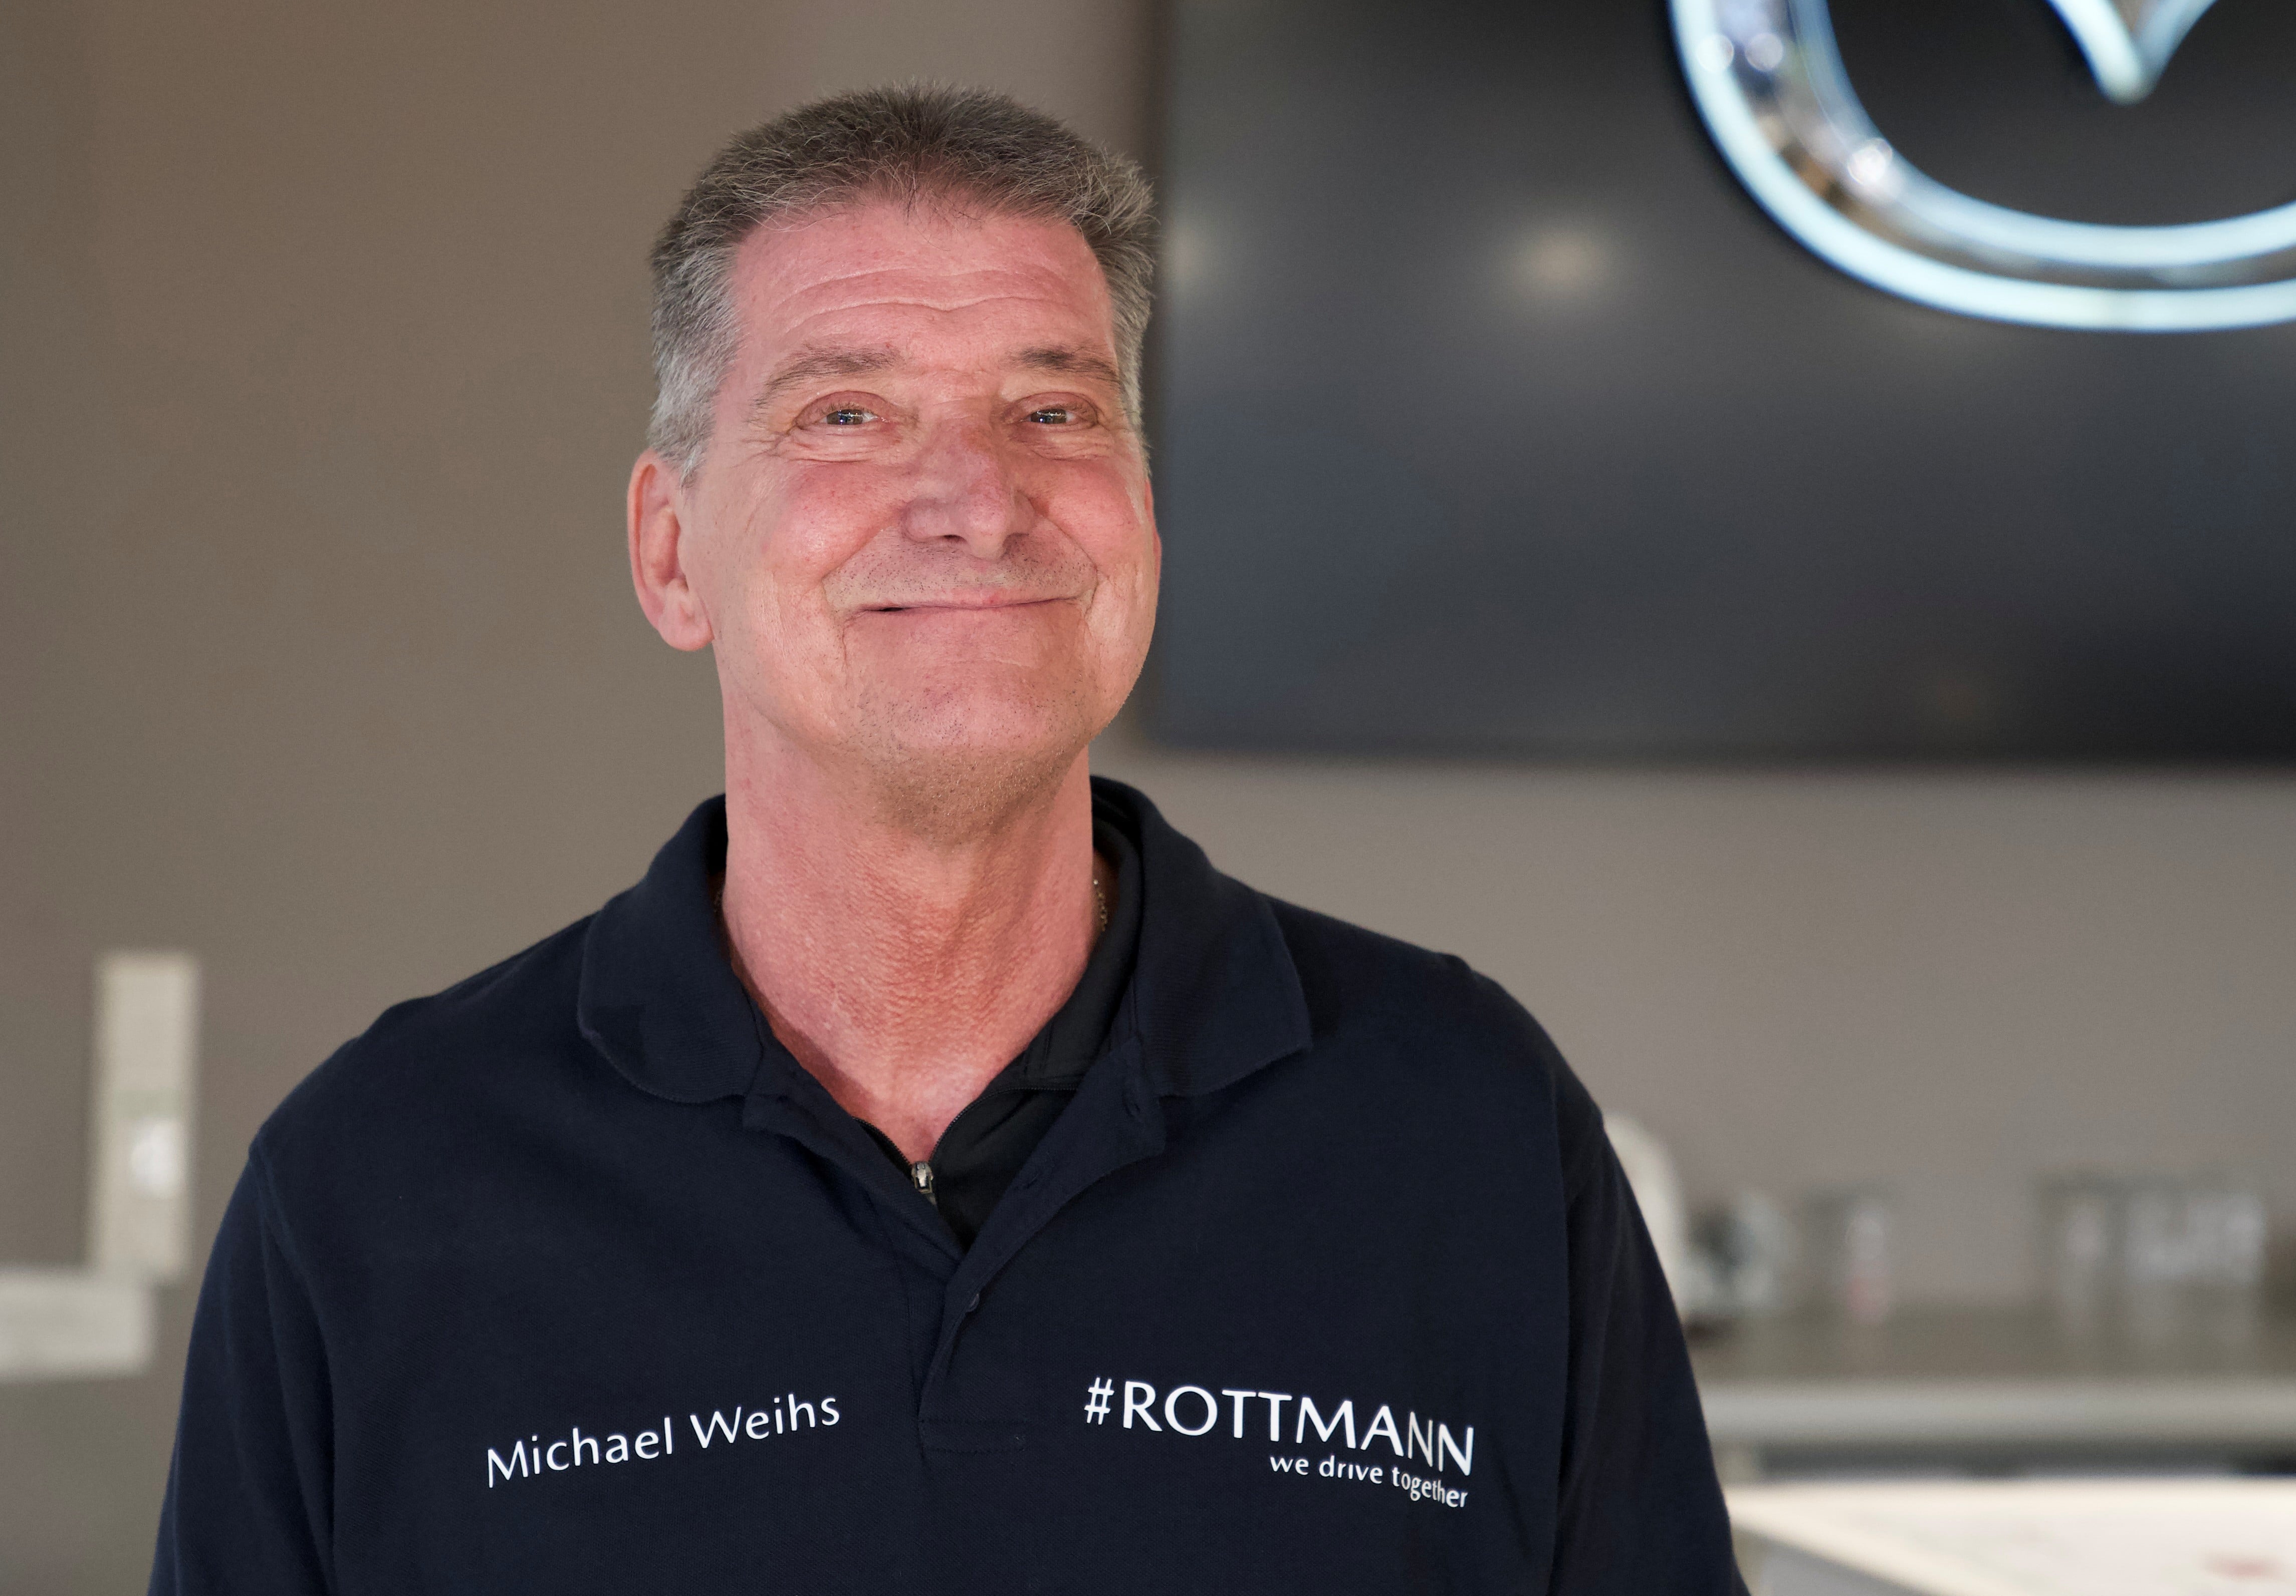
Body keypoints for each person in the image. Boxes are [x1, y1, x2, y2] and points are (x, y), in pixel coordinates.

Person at [149, 86, 1741, 1592]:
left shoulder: (1465, 1124)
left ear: (1145, 520)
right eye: (846, 413)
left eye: (1055, 409)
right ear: (671, 552)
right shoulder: (379, 1182)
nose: (979, 497)